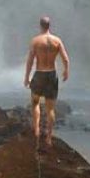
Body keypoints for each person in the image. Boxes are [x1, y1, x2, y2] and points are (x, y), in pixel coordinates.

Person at [23, 15, 69, 150]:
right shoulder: (57, 41)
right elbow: (66, 59)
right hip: (51, 74)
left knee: (35, 102)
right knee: (50, 109)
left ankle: (36, 130)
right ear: (49, 26)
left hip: (39, 74)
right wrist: (66, 71)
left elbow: (30, 60)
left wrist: (26, 77)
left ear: (40, 26)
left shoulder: (36, 41)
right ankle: (49, 137)